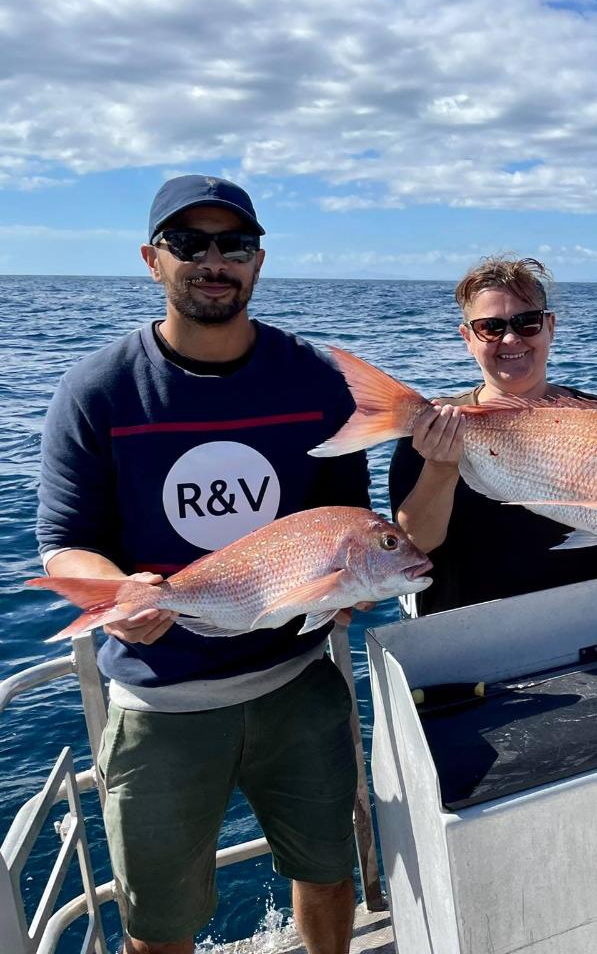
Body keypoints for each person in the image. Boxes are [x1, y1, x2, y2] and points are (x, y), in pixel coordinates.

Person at [35, 175, 370, 954]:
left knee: (328, 872)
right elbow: (61, 541)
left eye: (234, 244)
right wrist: (123, 592)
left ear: (259, 262)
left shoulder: (317, 381)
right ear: (153, 261)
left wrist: (350, 589)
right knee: (157, 923)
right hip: (160, 708)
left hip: (298, 685)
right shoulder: (99, 390)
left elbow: (345, 524)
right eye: (189, 244)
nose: (213, 260)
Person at [389, 256, 597, 616]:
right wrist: (440, 467)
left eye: (527, 322)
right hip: (471, 634)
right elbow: (416, 546)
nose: (510, 338)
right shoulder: (435, 425)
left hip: (586, 627)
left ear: (549, 326)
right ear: (468, 338)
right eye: (490, 327)